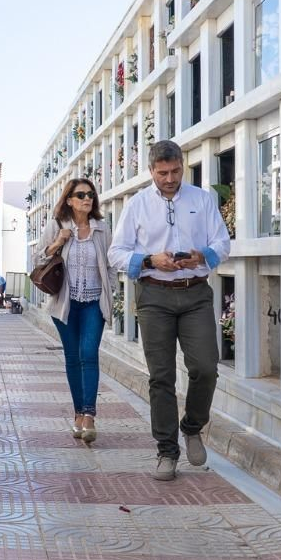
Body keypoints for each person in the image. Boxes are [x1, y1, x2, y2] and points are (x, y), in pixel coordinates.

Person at [108, 139, 230, 480]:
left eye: (175, 171)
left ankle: (192, 426)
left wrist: (202, 254)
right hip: (154, 296)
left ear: (182, 165)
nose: (169, 178)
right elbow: (116, 252)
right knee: (160, 376)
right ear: (151, 171)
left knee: (206, 367)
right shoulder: (136, 205)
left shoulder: (202, 200)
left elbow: (223, 242)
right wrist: (149, 260)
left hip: (195, 294)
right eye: (162, 173)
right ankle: (167, 450)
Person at [33, 177, 114, 444]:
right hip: (65, 304)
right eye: (81, 195)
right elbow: (37, 260)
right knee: (72, 358)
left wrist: (109, 291)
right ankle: (78, 413)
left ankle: (89, 415)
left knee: (88, 354)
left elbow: (111, 265)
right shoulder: (57, 226)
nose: (87, 199)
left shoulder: (102, 230)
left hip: (93, 303)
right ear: (69, 200)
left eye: (90, 194)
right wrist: (57, 242)